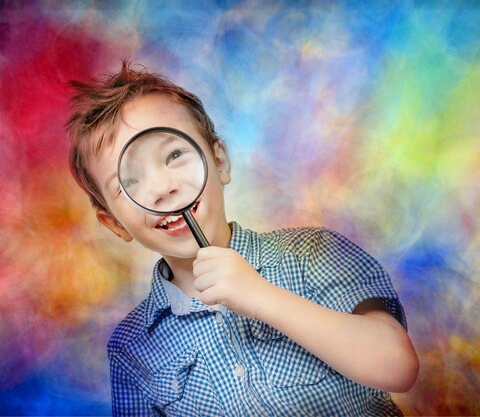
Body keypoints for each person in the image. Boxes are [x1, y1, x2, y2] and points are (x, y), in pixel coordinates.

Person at [66, 61, 419, 416]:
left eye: (174, 155)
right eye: (130, 182)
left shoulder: (313, 251)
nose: (162, 188)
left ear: (219, 162)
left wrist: (258, 294)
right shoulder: (132, 348)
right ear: (114, 224)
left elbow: (397, 367)